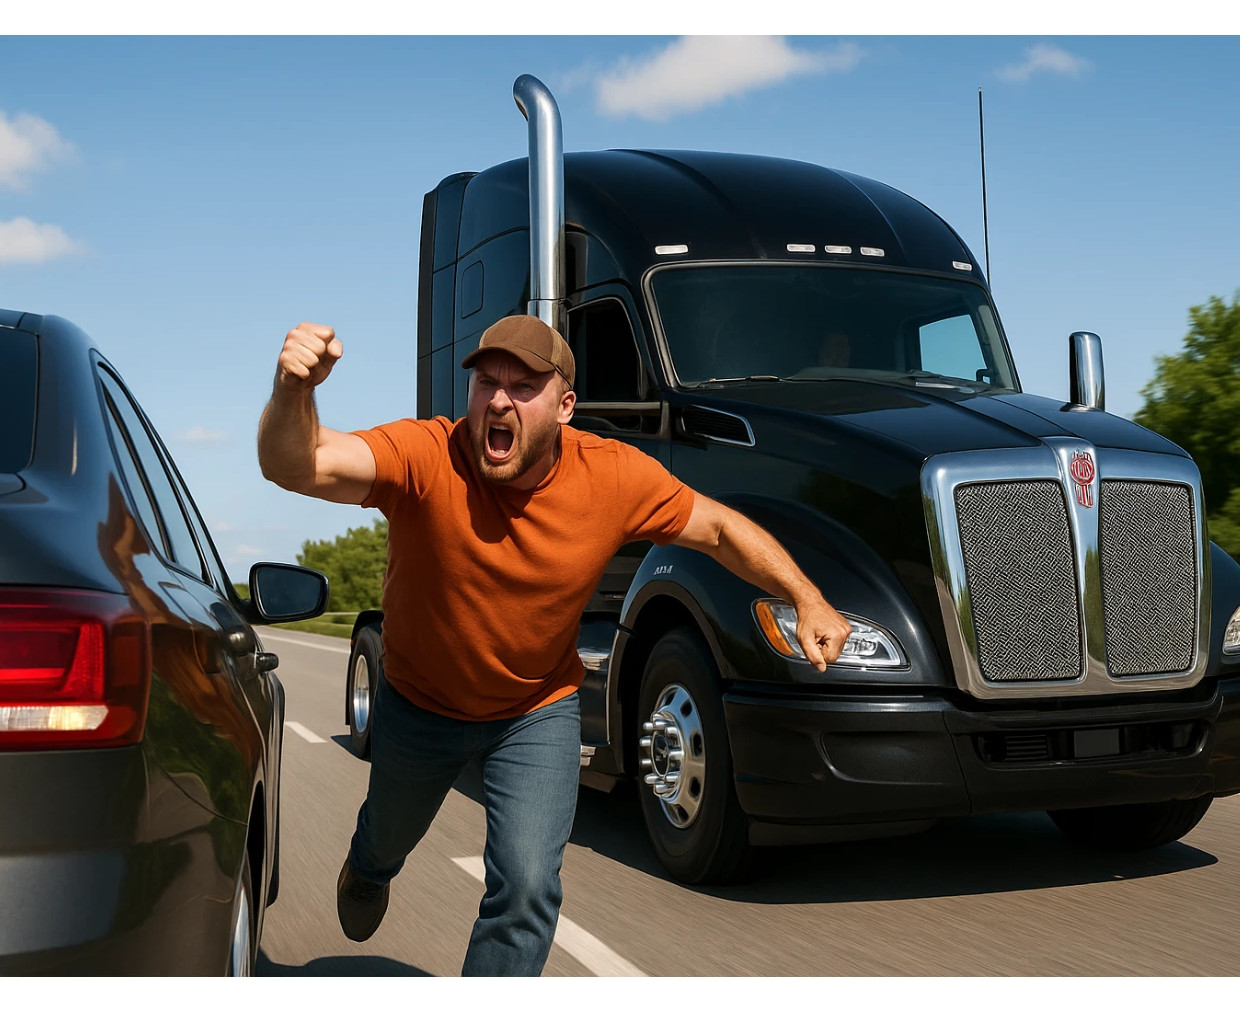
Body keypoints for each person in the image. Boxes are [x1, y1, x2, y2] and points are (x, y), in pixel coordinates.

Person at [256, 314, 853, 977]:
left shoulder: (612, 476)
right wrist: (292, 392)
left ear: (565, 406)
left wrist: (808, 596)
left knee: (529, 886)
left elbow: (716, 529)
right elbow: (298, 464)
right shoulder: (428, 455)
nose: (500, 400)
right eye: (486, 383)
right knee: (386, 838)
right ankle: (369, 867)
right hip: (420, 703)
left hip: (533, 711)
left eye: (524, 386)